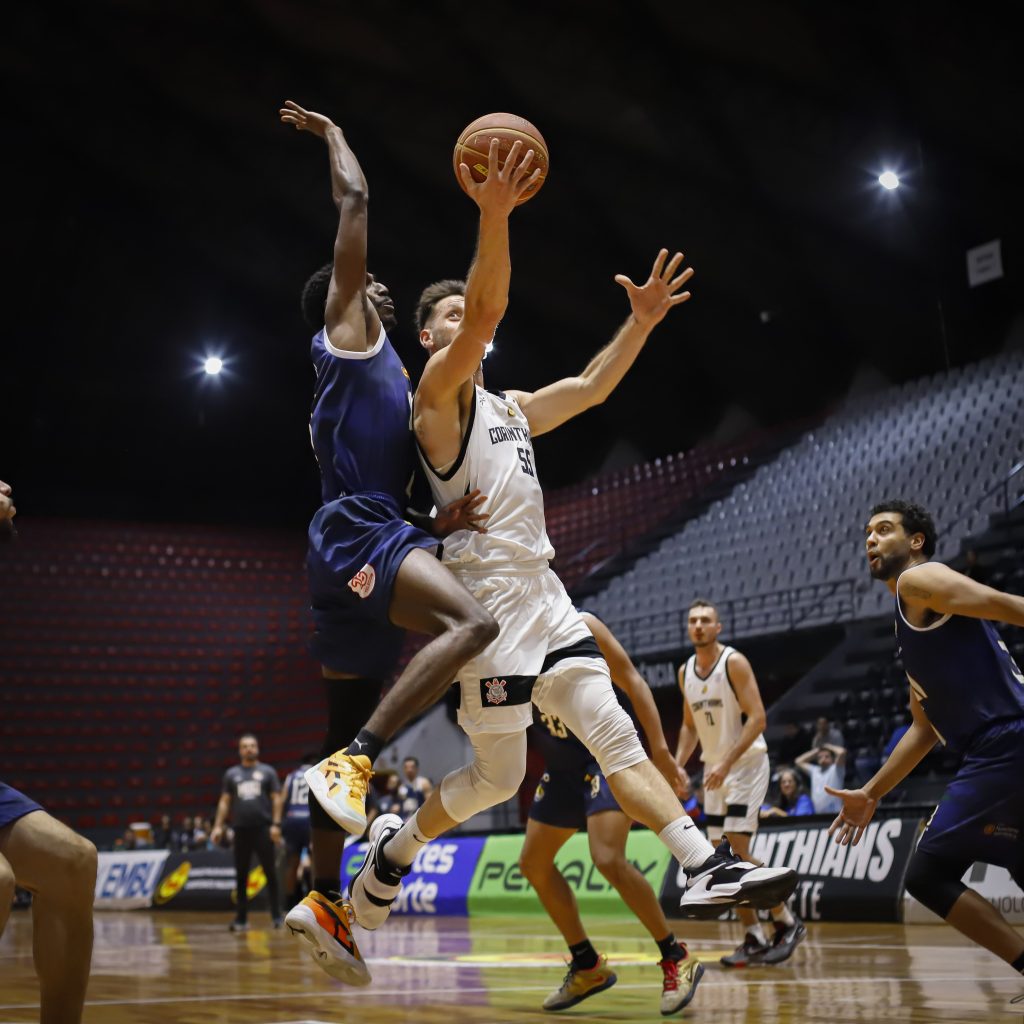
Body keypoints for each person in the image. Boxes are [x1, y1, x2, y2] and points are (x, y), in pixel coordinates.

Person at [324, 156, 797, 950]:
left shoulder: (511, 405)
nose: (466, 326)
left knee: (610, 730)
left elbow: (591, 387)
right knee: (496, 779)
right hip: (487, 612)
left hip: (545, 594)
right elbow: (482, 314)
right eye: (446, 320)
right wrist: (496, 210)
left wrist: (642, 323)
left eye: (464, 320)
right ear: (429, 337)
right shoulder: (435, 401)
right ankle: (395, 849)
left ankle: (704, 862)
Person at [277, 100, 509, 985]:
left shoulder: (377, 373)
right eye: (365, 282)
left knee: (335, 728)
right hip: (356, 533)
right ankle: (364, 755)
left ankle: (324, 901)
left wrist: (430, 524)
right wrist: (336, 136)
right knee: (472, 626)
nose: (376, 282)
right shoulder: (348, 330)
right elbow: (356, 206)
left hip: (362, 536)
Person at [827, 500, 1024, 1010]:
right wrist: (871, 793)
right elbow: (922, 730)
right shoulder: (907, 618)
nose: (871, 539)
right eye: (867, 532)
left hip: (1004, 743)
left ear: (915, 541)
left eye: (885, 530)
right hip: (1001, 746)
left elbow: (1003, 604)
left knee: (927, 875)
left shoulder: (920, 580)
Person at [519, 611, 702, 1015]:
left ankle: (675, 955)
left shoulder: (580, 623)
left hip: (604, 755)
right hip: (560, 766)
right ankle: (587, 966)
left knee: (606, 857)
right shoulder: (505, 640)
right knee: (533, 863)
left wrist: (661, 752)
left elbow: (633, 680)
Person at [676, 599, 805, 968]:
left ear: (718, 627)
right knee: (722, 864)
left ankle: (786, 922)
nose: (698, 625)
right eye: (693, 620)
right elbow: (688, 725)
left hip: (746, 765)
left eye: (705, 620)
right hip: (715, 772)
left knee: (740, 852)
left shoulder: (733, 662)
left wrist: (725, 762)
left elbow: (759, 719)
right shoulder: (685, 671)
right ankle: (753, 937)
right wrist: (677, 765)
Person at [211, 733, 284, 932]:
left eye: (252, 745)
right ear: (240, 750)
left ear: (257, 748)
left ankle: (277, 916)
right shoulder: (231, 774)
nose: (249, 749)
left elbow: (277, 798)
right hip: (241, 830)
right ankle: (241, 918)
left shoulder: (267, 771)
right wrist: (218, 825)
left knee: (270, 873)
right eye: (245, 746)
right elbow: (225, 801)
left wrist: (276, 825)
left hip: (263, 828)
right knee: (241, 875)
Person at [281, 753, 317, 908]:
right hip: (309, 819)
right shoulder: (317, 772)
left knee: (292, 864)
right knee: (315, 862)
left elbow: (283, 799)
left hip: (292, 818)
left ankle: (289, 903)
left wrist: (281, 822)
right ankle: (314, 900)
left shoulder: (291, 776)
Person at [795, 743, 847, 814]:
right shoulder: (814, 770)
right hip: (818, 815)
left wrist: (828, 746)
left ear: (832, 758)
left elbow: (842, 752)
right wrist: (816, 751)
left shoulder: (836, 769)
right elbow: (798, 761)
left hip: (835, 813)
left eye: (827, 756)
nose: (823, 759)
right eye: (820, 757)